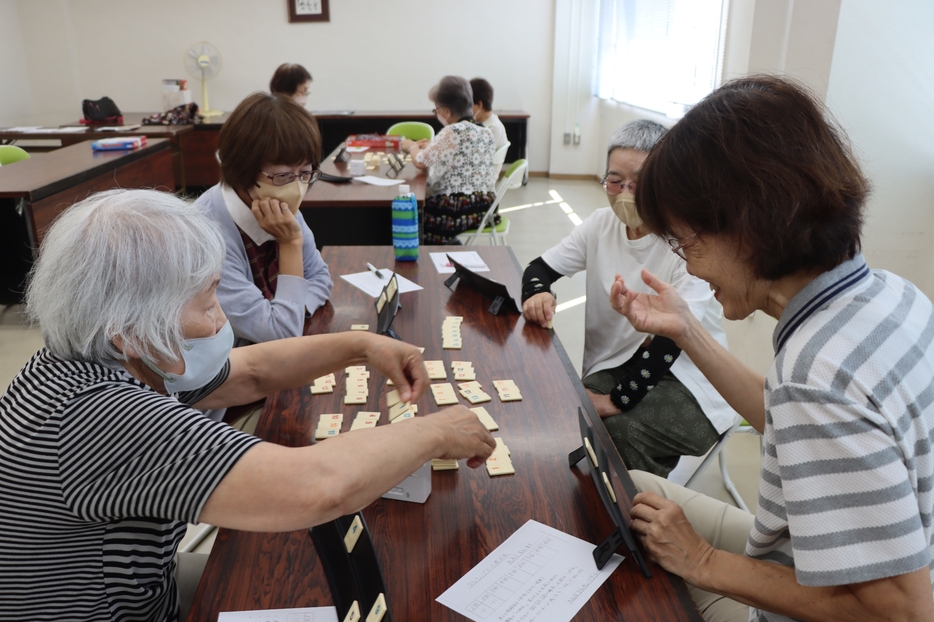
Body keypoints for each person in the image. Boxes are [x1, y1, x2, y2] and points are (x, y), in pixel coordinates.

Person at [0, 188, 495, 622]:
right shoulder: (101, 418)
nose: (221, 320)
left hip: (142, 588)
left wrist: (361, 347)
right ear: (131, 330)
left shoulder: (99, 357)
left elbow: (251, 372)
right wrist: (436, 431)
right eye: (207, 300)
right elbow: (317, 487)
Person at [611, 76, 934, 621]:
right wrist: (687, 329)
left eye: (688, 243)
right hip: (834, 555)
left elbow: (899, 612)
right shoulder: (891, 295)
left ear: (750, 225)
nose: (689, 266)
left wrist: (704, 560)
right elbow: (792, 418)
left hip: (837, 597)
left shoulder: (817, 371)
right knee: (634, 490)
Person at [521, 120, 736, 478]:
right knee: (570, 410)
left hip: (691, 376)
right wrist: (538, 293)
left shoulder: (689, 243)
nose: (624, 192)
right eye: (615, 180)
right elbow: (538, 269)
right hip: (618, 363)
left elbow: (673, 340)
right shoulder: (600, 225)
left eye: (637, 182)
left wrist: (617, 400)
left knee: (617, 431)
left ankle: (634, 521)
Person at [196, 92, 332, 351]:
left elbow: (321, 277)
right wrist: (291, 242)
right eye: (282, 175)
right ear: (242, 169)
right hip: (225, 369)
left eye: (305, 173)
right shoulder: (206, 237)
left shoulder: (280, 206)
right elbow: (282, 336)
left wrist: (287, 310)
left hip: (265, 358)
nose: (297, 188)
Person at [401, 76, 496, 245]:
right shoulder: (485, 130)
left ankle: (436, 253)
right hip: (485, 207)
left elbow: (421, 162)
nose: (437, 113)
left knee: (415, 209)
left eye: (436, 109)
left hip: (457, 209)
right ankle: (452, 246)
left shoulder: (452, 131)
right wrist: (433, 147)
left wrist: (410, 147)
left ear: (446, 111)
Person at [470, 77, 508, 152]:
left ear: (479, 105)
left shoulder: (492, 129)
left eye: (469, 105)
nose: (467, 109)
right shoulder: (488, 124)